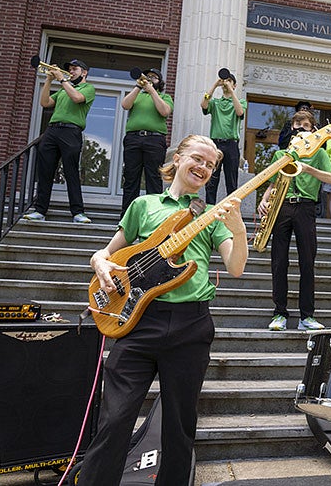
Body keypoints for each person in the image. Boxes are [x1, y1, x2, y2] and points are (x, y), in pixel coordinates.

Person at [75, 135, 248, 485]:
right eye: (197, 159)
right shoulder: (144, 205)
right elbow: (106, 254)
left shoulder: (212, 215)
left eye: (210, 165)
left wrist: (239, 228)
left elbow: (235, 267)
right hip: (138, 322)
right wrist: (98, 263)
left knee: (179, 426)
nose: (203, 167)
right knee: (114, 419)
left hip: (190, 325)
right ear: (178, 158)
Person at [259, 110, 331, 331]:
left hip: (305, 207)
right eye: (297, 123)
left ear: (313, 130)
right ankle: (279, 313)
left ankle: (306, 317)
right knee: (279, 262)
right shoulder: (280, 155)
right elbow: (273, 183)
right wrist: (264, 201)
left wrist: (308, 168)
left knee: (307, 262)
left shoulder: (319, 154)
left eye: (306, 124)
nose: (301, 127)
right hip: (281, 206)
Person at [24, 59, 95, 223]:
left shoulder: (88, 88)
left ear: (84, 72)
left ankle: (78, 212)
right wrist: (49, 80)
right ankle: (40, 210)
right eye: (69, 69)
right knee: (45, 171)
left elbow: (77, 98)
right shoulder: (63, 90)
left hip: (71, 131)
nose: (71, 71)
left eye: (75, 69)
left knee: (71, 172)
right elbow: (45, 102)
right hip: (52, 130)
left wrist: (62, 79)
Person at [120, 68, 174, 216]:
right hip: (133, 138)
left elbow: (164, 111)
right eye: (148, 76)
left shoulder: (165, 96)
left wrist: (152, 92)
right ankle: (127, 216)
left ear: (160, 82)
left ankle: (154, 216)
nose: (150, 79)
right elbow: (125, 105)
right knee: (131, 178)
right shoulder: (137, 94)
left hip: (154, 140)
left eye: (154, 77)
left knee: (153, 178)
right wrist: (138, 87)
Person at [200, 70, 247, 204]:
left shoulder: (240, 101)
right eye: (225, 81)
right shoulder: (215, 102)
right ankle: (209, 208)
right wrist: (215, 85)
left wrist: (231, 92)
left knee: (231, 180)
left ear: (235, 85)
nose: (226, 83)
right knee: (211, 179)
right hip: (215, 144)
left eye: (230, 81)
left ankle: (231, 209)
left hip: (231, 145)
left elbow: (240, 112)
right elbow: (203, 104)